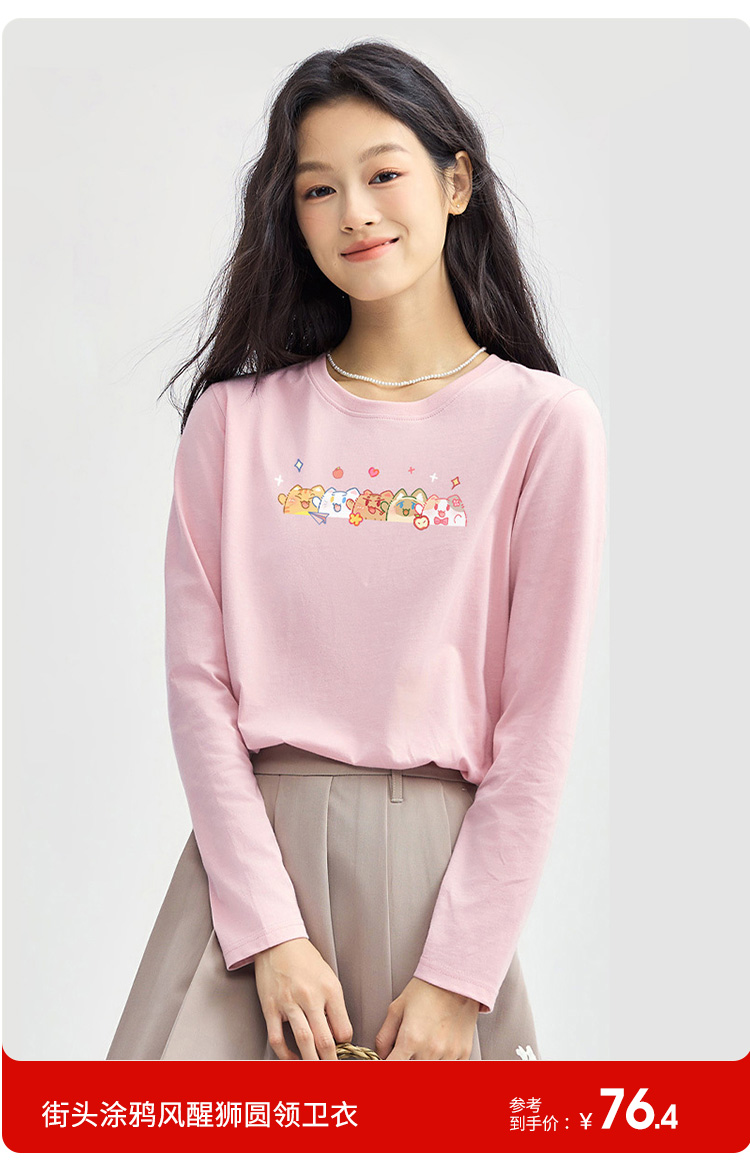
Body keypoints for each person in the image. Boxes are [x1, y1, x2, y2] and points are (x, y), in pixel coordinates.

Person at [106, 39, 606, 1063]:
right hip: (246, 889)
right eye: (319, 190)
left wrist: (459, 975)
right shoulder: (232, 425)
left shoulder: (543, 425)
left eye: (383, 175)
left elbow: (538, 725)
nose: (355, 214)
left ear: (456, 182)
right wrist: (269, 933)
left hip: (440, 896)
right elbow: (198, 687)